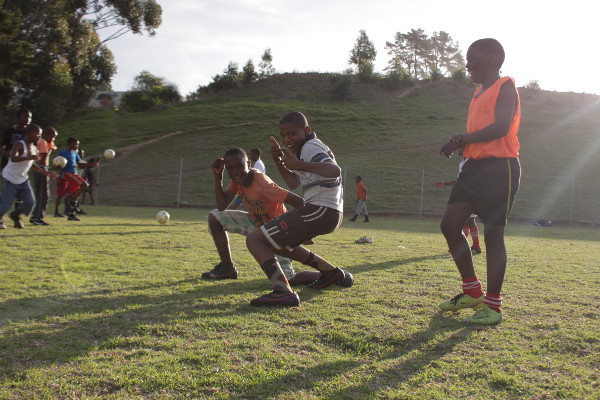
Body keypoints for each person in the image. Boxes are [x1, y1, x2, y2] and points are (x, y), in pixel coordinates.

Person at [439, 38, 521, 325]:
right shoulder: (477, 92)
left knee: (492, 236)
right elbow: (481, 131)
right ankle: (472, 291)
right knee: (450, 226)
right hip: (474, 169)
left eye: (472, 58)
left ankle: (493, 307)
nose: (467, 64)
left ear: (491, 58)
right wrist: (460, 143)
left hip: (500, 169)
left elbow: (500, 127)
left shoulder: (505, 85)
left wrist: (463, 139)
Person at [245, 111, 354, 307]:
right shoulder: (303, 151)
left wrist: (299, 163)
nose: (287, 139)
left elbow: (334, 170)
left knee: (255, 239)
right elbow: (293, 182)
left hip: (321, 209)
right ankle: (331, 273)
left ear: (307, 131)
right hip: (324, 211)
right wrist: (281, 162)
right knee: (278, 244)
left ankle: (282, 291)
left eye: (292, 133)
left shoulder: (311, 146)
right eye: (283, 135)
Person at [204, 147, 320, 285]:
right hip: (256, 225)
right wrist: (218, 176)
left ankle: (327, 272)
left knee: (288, 279)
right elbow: (222, 206)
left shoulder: (263, 185)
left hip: (277, 232)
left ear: (248, 164)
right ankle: (227, 268)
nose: (234, 172)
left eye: (239, 166)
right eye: (230, 168)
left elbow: (299, 202)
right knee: (215, 217)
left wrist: (303, 233)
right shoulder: (237, 179)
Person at [0, 124, 57, 228]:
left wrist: (45, 172)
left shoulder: (34, 148)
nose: (39, 137)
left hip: (23, 179)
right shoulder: (19, 144)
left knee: (30, 202)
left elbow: (32, 165)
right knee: (6, 203)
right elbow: (13, 158)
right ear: (29, 133)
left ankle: (15, 215)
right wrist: (27, 157)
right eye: (38, 134)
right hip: (10, 178)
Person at [434, 158, 481, 255]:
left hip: (470, 194)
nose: (458, 150)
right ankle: (463, 246)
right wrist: (445, 184)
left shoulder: (471, 160)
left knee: (469, 221)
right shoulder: (463, 162)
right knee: (464, 221)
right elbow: (460, 180)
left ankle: (475, 247)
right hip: (464, 193)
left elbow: (470, 179)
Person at [0, 108, 32, 229]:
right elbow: (1, 147)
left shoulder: (30, 133)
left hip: (21, 168)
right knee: (7, 194)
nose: (27, 119)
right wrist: (7, 154)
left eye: (29, 117)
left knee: (21, 195)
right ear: (18, 117)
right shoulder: (9, 131)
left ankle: (16, 217)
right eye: (25, 116)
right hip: (7, 166)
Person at [54, 137, 98, 221]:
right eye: (76, 144)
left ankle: (71, 215)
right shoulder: (63, 153)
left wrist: (91, 164)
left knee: (74, 195)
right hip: (68, 174)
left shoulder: (75, 153)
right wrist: (57, 171)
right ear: (70, 144)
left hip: (74, 174)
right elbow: (57, 165)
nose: (77, 146)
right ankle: (70, 202)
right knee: (85, 185)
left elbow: (80, 165)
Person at [30, 126, 58, 225]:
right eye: (53, 137)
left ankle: (35, 215)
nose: (53, 139)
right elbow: (45, 156)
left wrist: (51, 146)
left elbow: (54, 147)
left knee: (40, 193)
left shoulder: (46, 142)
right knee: (44, 194)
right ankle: (37, 217)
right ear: (46, 135)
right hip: (41, 167)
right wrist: (50, 147)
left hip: (40, 167)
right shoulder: (42, 142)